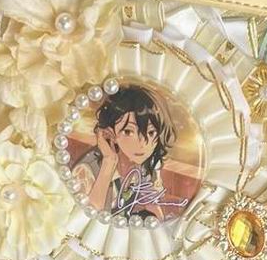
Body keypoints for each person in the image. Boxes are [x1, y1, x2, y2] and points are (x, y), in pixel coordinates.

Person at [72, 84, 185, 221]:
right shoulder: (86, 171)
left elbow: (156, 216)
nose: (142, 144)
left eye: (151, 132)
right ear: (109, 132)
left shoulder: (144, 168)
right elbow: (86, 220)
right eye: (128, 131)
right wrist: (109, 162)